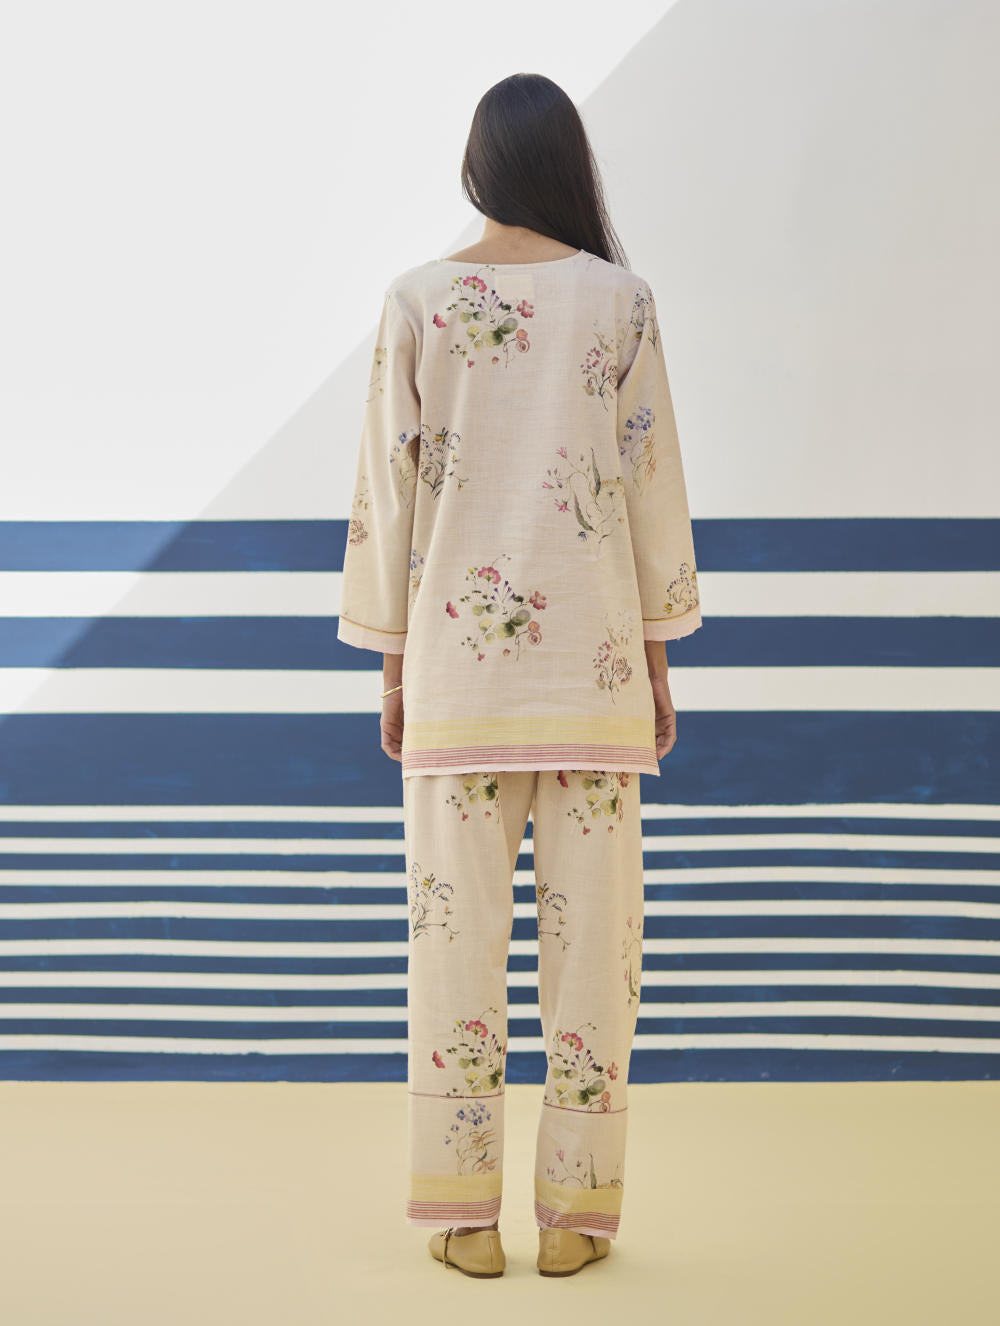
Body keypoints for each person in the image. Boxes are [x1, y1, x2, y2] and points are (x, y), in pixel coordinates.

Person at [337, 72, 702, 1278]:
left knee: (452, 947)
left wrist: (393, 673)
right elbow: (649, 487)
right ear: (567, 166)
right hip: (593, 680)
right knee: (595, 956)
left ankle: (461, 1219)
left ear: (478, 166)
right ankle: (573, 1221)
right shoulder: (621, 301)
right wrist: (654, 665)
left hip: (456, 681)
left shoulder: (418, 302)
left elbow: (389, 498)